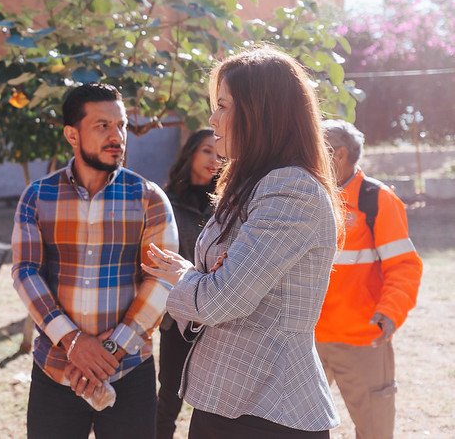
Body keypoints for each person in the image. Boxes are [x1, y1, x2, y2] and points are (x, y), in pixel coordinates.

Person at [145, 46, 343, 438]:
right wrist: (203, 282)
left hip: (269, 410)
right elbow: (215, 293)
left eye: (223, 106)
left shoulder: (290, 189)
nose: (212, 118)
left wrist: (186, 276)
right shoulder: (250, 185)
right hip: (230, 404)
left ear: (260, 113)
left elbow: (222, 300)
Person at [11, 82, 179, 439]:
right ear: (72, 134)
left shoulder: (149, 199)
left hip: (130, 370)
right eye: (102, 126)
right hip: (56, 370)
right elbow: (26, 272)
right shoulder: (37, 197)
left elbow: (163, 279)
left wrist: (111, 349)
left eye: (120, 125)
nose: (116, 135)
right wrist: (72, 341)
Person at [315, 120, 422, 439]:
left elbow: (404, 266)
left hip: (362, 338)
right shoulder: (308, 196)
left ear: (340, 155)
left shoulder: (377, 200)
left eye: (318, 147)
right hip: (307, 339)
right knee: (293, 429)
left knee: (375, 430)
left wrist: (390, 313)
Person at [155, 128, 219, 439]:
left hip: (219, 316)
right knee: (168, 398)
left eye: (220, 154)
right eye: (208, 150)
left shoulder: (229, 203)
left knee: (216, 405)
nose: (215, 159)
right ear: (191, 152)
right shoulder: (166, 202)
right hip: (176, 317)